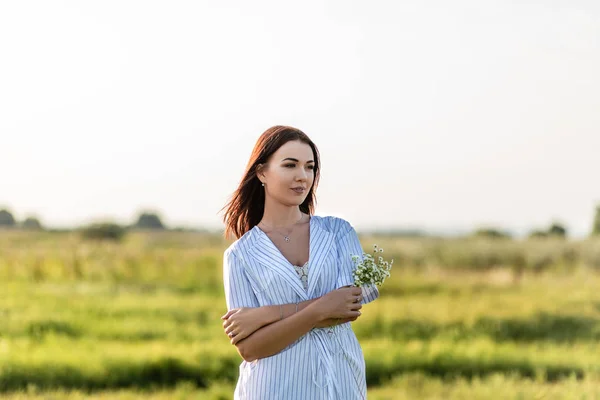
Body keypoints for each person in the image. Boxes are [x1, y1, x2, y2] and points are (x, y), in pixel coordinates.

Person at [220, 125, 379, 399]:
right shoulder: (240, 255)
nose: (302, 177)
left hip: (340, 382)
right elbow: (250, 348)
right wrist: (320, 308)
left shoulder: (338, 232)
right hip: (273, 388)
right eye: (290, 165)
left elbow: (345, 308)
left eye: (310, 167)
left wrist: (265, 315)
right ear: (261, 172)